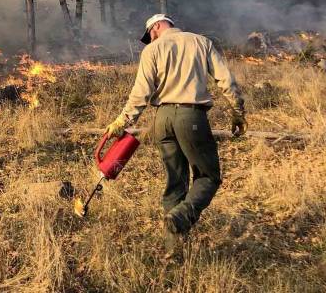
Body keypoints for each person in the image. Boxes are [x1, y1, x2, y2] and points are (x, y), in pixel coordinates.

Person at [104, 14, 246, 258]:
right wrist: (237, 112)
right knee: (209, 177)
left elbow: (141, 93)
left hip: (163, 120)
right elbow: (226, 79)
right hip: (191, 117)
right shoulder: (201, 43)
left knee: (175, 183)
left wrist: (123, 121)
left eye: (150, 33)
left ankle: (174, 249)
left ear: (158, 26)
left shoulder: (152, 51)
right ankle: (181, 216)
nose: (150, 38)